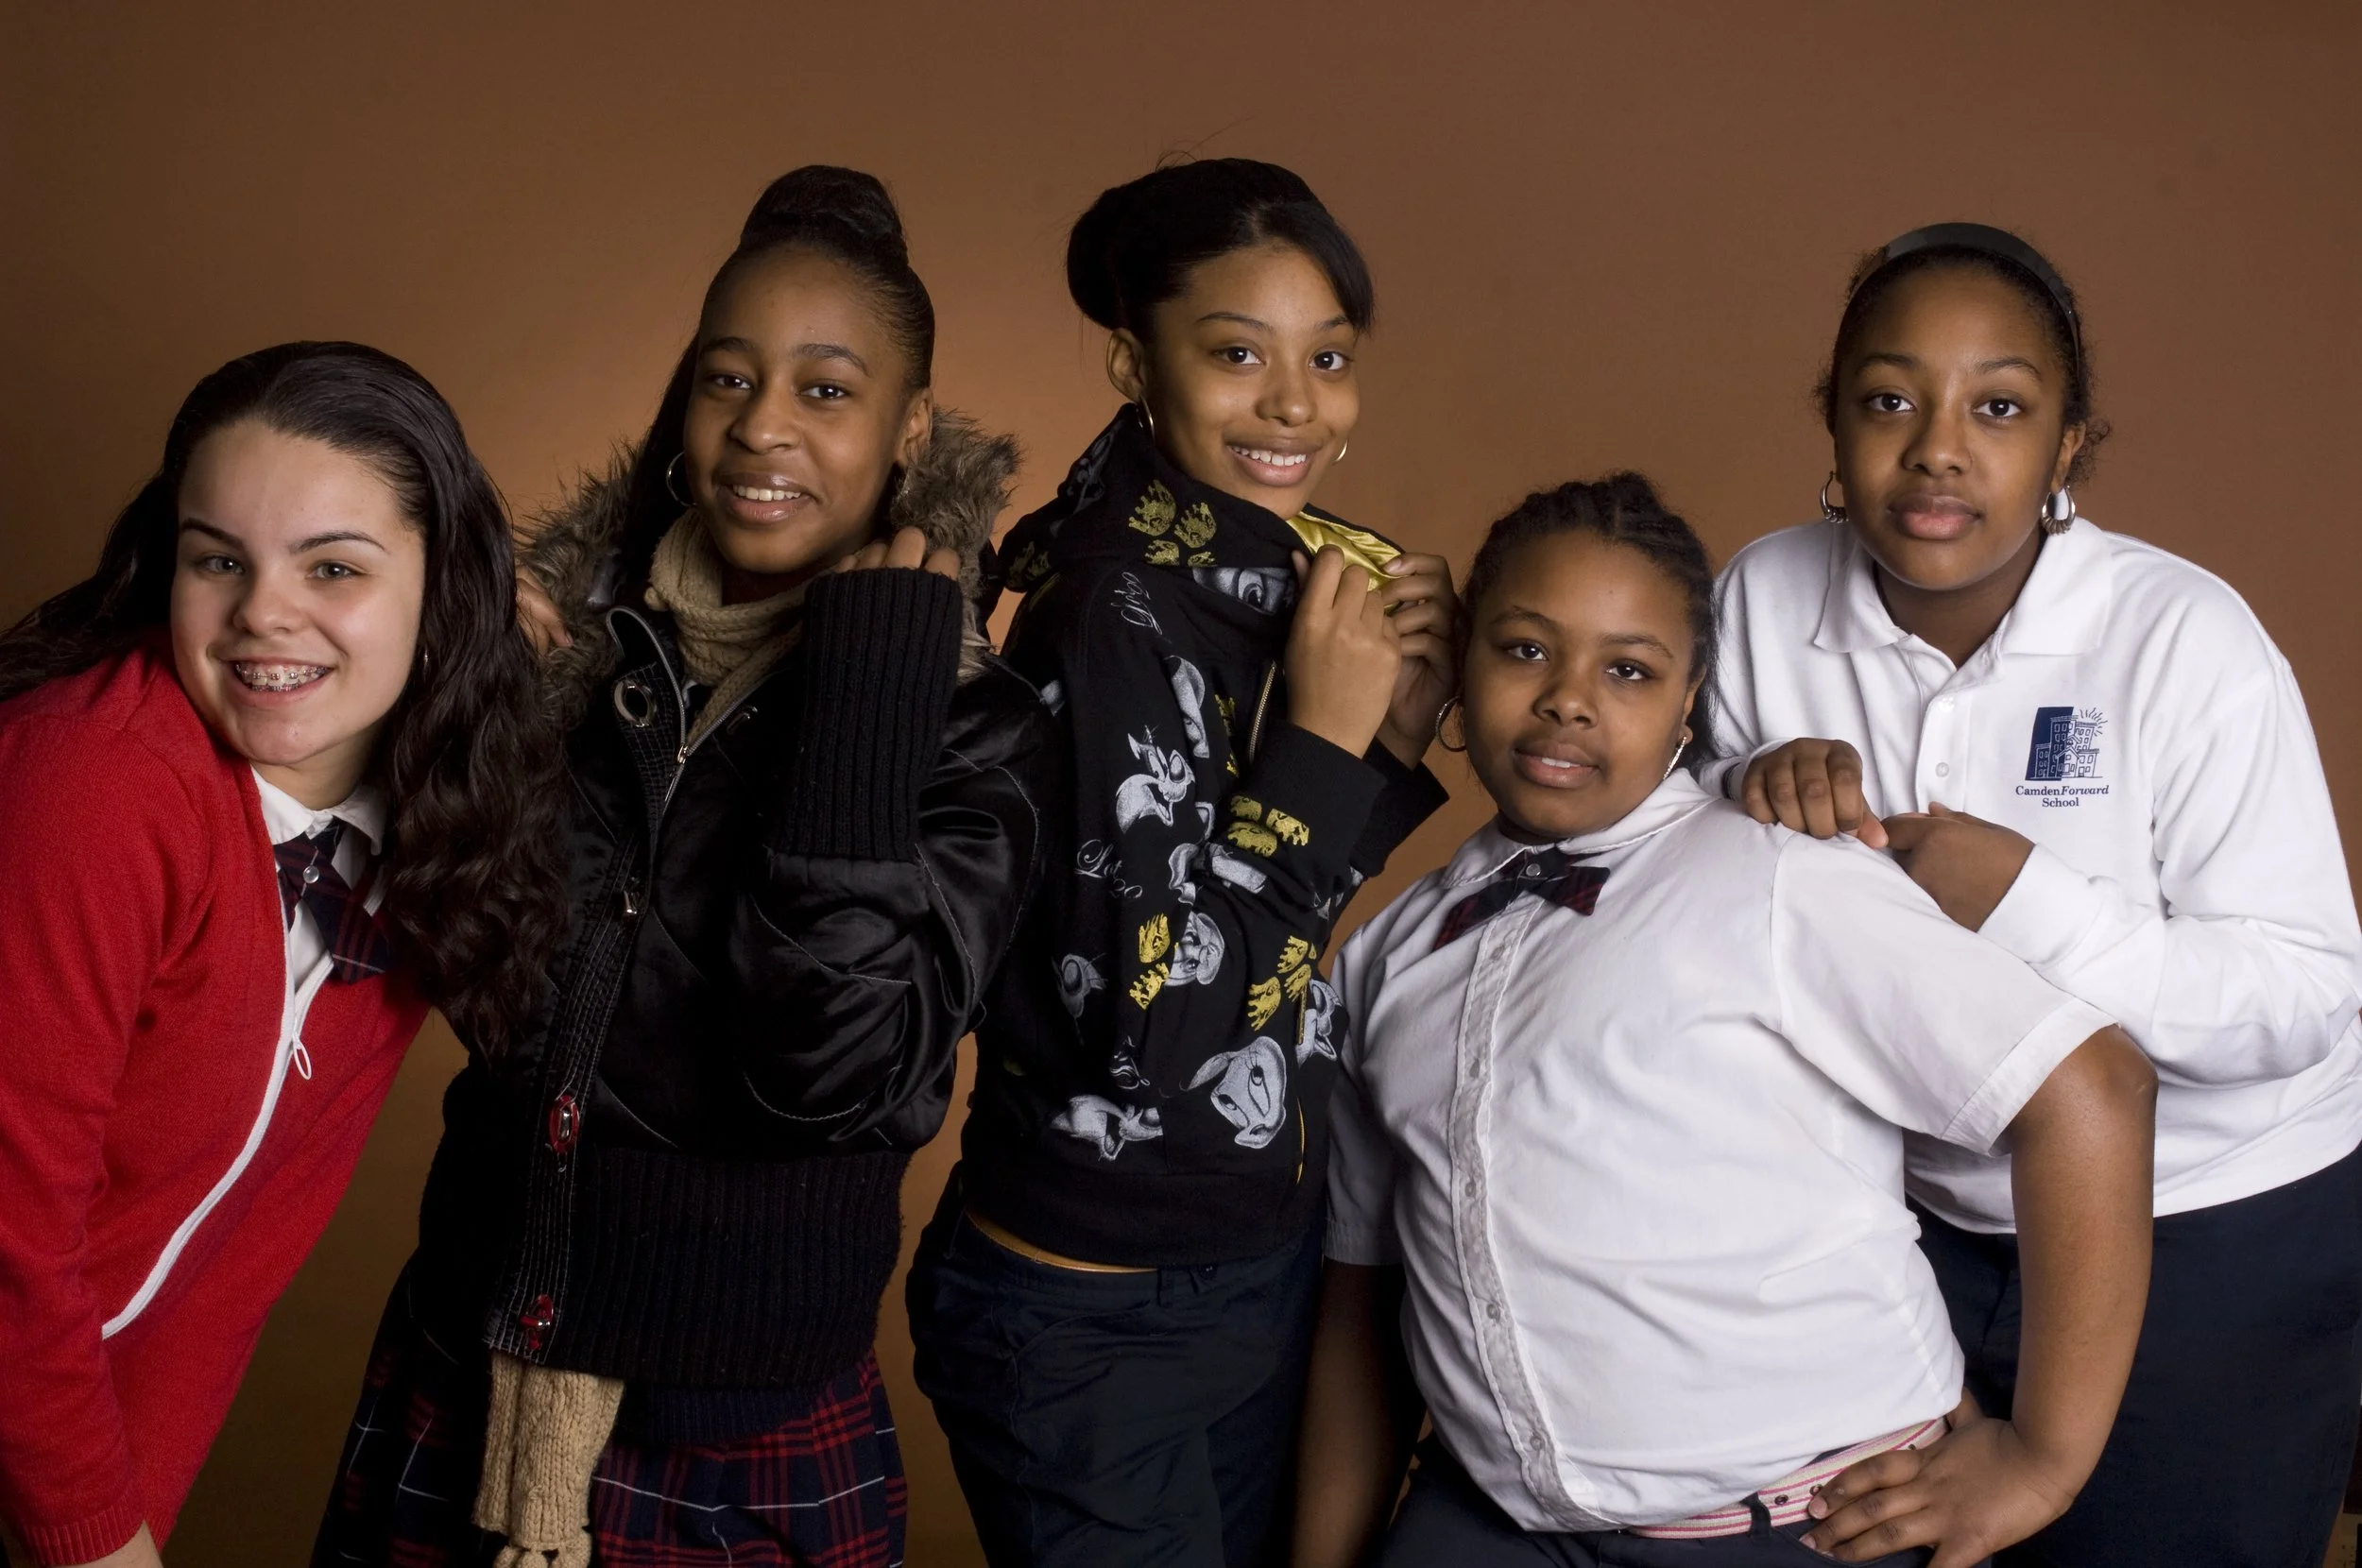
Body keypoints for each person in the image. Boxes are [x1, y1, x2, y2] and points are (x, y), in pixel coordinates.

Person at [312, 167, 1053, 1568]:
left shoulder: (976, 725)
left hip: (735, 1438)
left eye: (826, 390)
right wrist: (475, 715)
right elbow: (481, 995)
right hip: (463, 1359)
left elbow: (824, 1072)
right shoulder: (588, 659)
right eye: (726, 377)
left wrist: (865, 703)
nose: (761, 426)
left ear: (913, 430)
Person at [1294, 473, 2157, 1568]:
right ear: (1460, 665)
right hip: (1498, 1521)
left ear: (1689, 698)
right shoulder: (1392, 955)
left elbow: (2091, 1087)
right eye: (1523, 650)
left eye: (1627, 670)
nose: (1569, 698)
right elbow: (1364, 1300)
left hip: (1802, 1525)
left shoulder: (1776, 873)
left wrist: (2041, 1459)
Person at [1714, 223, 2362, 1568]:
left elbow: (2303, 996)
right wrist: (1743, 788)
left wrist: (2027, 901)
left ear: (2069, 448)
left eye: (1999, 408)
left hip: (2214, 1225)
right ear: (1831, 424)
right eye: (1890, 400)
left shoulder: (2185, 639)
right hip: (1923, 1221)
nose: (1939, 448)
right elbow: (1686, 883)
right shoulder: (1759, 602)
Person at [904, 158, 1456, 1567]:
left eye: (1327, 358)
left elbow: (1249, 947)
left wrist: (1377, 749)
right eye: (1236, 354)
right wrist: (1322, 758)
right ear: (1132, 360)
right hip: (1094, 1316)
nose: (1295, 405)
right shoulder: (1105, 607)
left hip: (1252, 1261)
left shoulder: (1254, 576)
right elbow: (1150, 1037)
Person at [0, 342, 562, 1568]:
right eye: (219, 560)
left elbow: (231, 1272)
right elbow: (9, 1228)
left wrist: (129, 1517)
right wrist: (96, 1547)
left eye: (334, 567)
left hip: (81, 1478)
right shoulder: (89, 782)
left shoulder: (426, 822)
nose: (263, 611)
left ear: (445, 585)